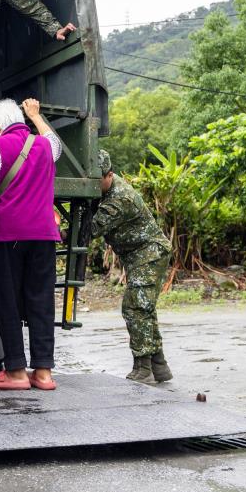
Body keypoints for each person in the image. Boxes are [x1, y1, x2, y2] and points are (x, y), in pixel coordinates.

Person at [0, 98, 62, 391]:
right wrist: (35, 115)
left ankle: (15, 372)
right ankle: (44, 372)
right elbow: (55, 142)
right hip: (44, 235)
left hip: (7, 235)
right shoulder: (44, 146)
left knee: (8, 302)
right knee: (41, 301)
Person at [92, 149, 174, 384]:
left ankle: (143, 368)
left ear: (110, 175)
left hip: (149, 253)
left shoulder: (119, 198)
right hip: (139, 255)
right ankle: (159, 365)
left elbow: (93, 229)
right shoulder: (106, 193)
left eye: (98, 181)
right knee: (144, 307)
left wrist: (59, 233)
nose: (95, 186)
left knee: (135, 307)